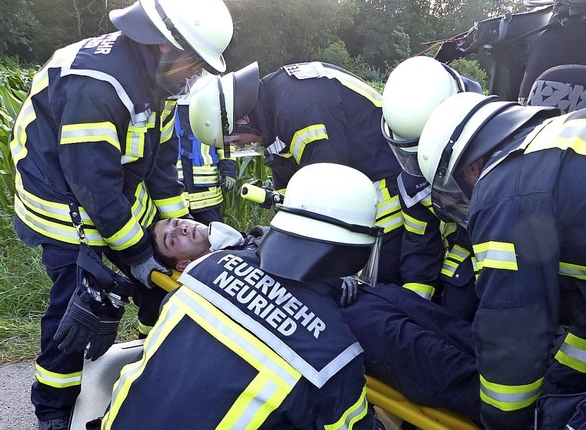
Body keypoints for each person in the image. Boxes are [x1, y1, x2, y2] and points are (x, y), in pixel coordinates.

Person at [8, 0, 233, 428]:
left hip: (111, 198)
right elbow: (94, 185)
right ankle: (53, 410)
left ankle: (159, 369)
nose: (192, 76)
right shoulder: (98, 84)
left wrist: (176, 236)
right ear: (164, 43)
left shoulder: (156, 77)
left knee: (158, 289)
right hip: (64, 210)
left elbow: (162, 162)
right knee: (75, 314)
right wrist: (137, 254)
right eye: (192, 63)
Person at [96, 163, 386, 430]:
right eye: (171, 237)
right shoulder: (337, 355)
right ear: (354, 252)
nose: (182, 227)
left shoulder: (203, 271)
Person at [414, 90, 586, 429]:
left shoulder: (503, 186)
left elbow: (512, 328)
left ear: (472, 166)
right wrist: (560, 386)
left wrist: (503, 422)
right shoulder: (560, 145)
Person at [145, 204, 481, 423]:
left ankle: (525, 383)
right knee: (436, 361)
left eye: (177, 223)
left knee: (454, 330)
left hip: (365, 293)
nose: (180, 229)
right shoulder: (210, 279)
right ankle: (519, 414)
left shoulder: (248, 240)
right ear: (183, 265)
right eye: (171, 239)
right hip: (339, 318)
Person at [185, 61, 406, 285]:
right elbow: (292, 187)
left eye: (232, 139)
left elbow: (330, 192)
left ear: (243, 118)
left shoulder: (298, 110)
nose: (239, 147)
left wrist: (339, 269)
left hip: (386, 198)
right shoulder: (272, 111)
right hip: (366, 195)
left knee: (383, 284)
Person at [380, 55, 482, 320]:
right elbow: (420, 249)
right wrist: (413, 313)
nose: (424, 164)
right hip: (465, 251)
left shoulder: (499, 160)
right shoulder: (413, 184)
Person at [174, 98, 238, 224]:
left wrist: (229, 169)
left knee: (212, 237)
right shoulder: (162, 102)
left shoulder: (211, 102)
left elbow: (225, 140)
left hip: (208, 195)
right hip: (174, 194)